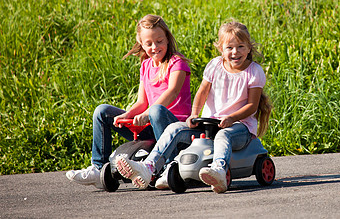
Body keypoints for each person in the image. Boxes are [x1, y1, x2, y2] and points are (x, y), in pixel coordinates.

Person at [115, 20, 272, 193]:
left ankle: (219, 169)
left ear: (249, 48)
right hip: (210, 123)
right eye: (229, 48)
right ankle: (149, 167)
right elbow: (202, 93)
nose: (235, 52)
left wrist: (232, 118)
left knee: (223, 137)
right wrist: (194, 114)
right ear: (221, 49)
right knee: (174, 129)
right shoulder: (215, 66)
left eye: (241, 47)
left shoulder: (254, 71)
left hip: (239, 127)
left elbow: (252, 106)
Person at [66, 14, 192, 189]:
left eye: (159, 41)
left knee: (156, 111)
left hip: (172, 127)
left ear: (167, 39)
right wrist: (127, 115)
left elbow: (172, 92)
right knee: (102, 112)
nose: (155, 47)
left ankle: (166, 165)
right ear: (141, 44)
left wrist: (148, 113)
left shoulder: (177, 63)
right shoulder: (146, 66)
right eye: (149, 44)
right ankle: (98, 167)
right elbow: (141, 102)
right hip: (149, 126)